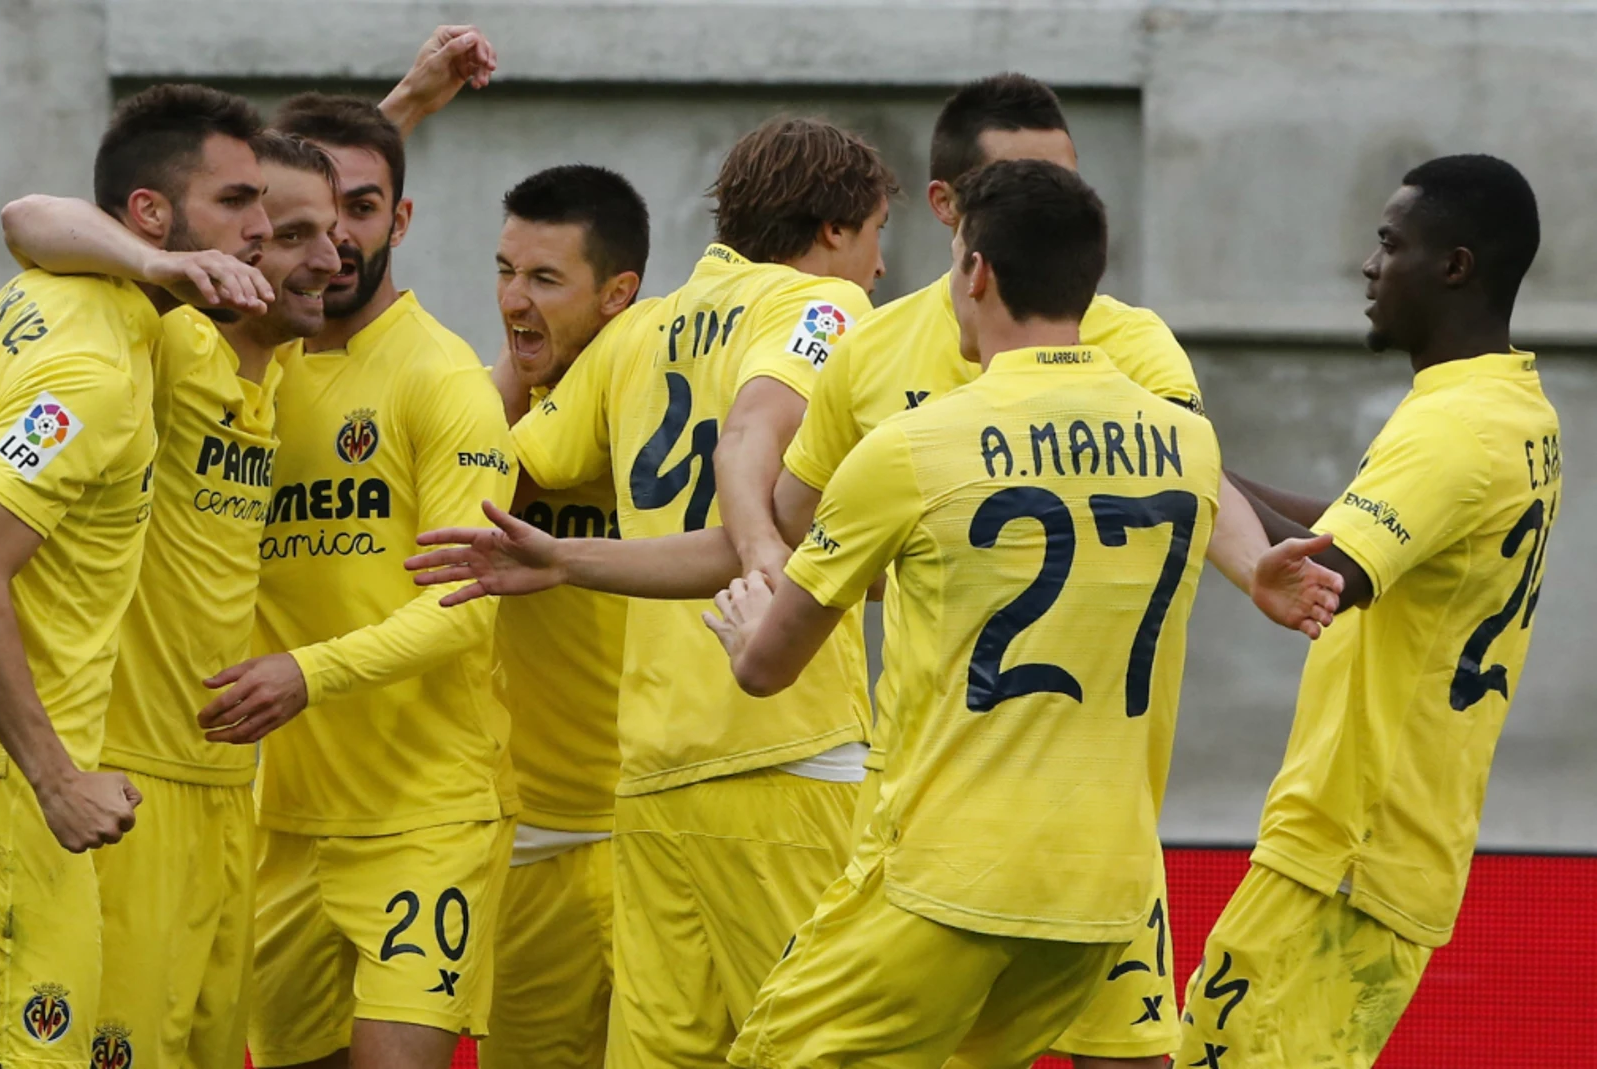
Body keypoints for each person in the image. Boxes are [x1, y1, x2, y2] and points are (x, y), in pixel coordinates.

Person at [705, 159, 1333, 1069]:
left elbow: (768, 666)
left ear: (977, 272)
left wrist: (743, 628)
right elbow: (1222, 521)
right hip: (1102, 900)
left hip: (941, 881)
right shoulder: (1186, 442)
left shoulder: (910, 447)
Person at [408, 115, 896, 1068]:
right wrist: (767, 557)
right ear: (835, 229)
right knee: (821, 1048)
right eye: (878, 234)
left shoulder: (641, 329)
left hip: (653, 765)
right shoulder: (825, 306)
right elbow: (752, 434)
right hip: (785, 746)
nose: (880, 265)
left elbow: (512, 458)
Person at [0, 84, 271, 1069]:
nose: (259, 229)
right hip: (3, 793)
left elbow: (27, 215)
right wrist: (56, 779)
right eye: (236, 202)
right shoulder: (95, 375)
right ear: (149, 213)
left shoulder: (46, 293)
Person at [1178, 154, 1558, 1069]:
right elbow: (1351, 522)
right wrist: (1197, 460)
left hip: (1345, 850)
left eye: (1391, 243)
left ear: (1454, 266)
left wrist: (1170, 457)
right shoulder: (1515, 408)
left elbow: (1324, 571)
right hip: (1399, 843)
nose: (1369, 264)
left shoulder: (1452, 429)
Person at [0, 130, 344, 1069]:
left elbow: (316, 189)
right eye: (281, 232)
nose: (326, 256)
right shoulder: (171, 340)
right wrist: (162, 264)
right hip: (133, 784)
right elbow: (27, 217)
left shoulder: (276, 368)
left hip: (231, 791)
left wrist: (407, 107)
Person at [196, 94, 519, 1069]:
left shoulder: (441, 378)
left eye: (359, 213)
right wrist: (409, 96)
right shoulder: (248, 368)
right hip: (282, 821)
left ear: (396, 220)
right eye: (307, 223)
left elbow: (463, 608)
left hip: (425, 815)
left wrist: (306, 672)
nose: (333, 244)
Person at [474, 164, 650, 1069]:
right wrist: (520, 368)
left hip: (660, 827)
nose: (515, 298)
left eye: (545, 278)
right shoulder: (490, 411)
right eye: (506, 272)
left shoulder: (675, 413)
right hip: (534, 835)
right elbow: (472, 501)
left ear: (619, 294)